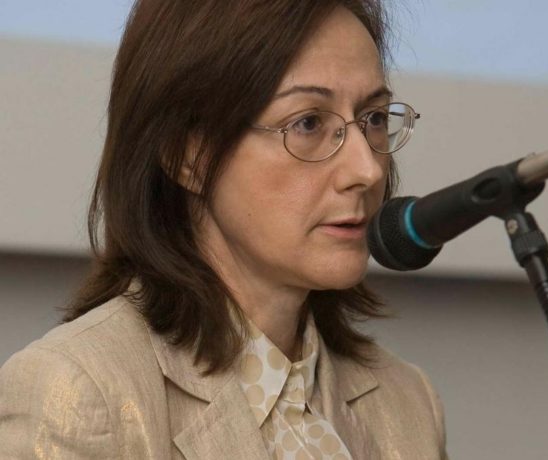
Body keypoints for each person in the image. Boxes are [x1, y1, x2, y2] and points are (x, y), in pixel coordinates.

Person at [0, 0, 447, 458]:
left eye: (374, 118)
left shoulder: (408, 401)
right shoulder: (78, 393)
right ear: (187, 155)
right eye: (308, 123)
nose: (366, 170)